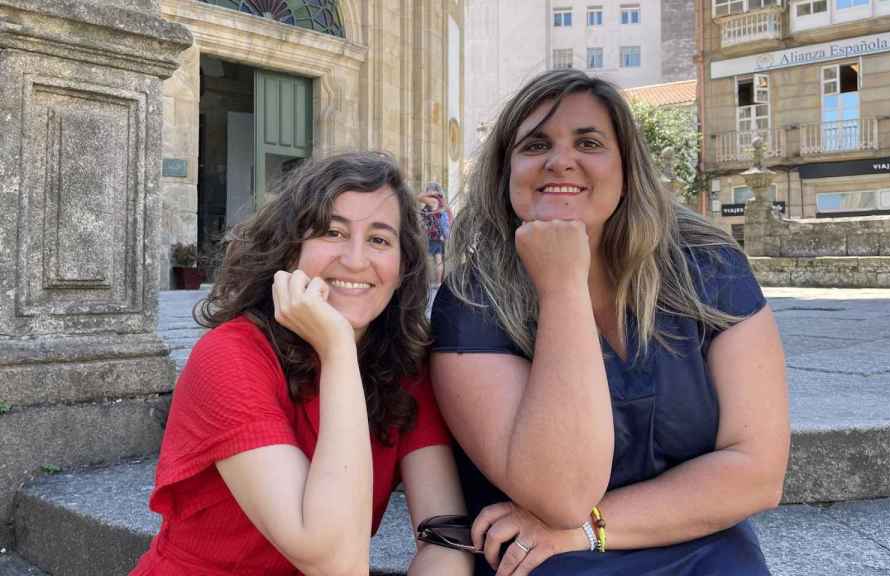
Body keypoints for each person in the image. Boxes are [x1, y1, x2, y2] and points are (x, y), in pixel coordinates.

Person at [430, 69, 789, 575]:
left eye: (589, 141)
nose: (560, 160)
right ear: (506, 170)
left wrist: (591, 526)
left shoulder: (707, 266)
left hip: (692, 540)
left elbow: (757, 472)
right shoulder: (473, 296)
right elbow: (560, 494)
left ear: (626, 167)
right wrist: (562, 287)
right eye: (535, 145)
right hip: (544, 558)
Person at [132, 152, 473, 576]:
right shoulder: (228, 358)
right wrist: (338, 349)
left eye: (380, 240)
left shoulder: (402, 367)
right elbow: (334, 560)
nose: (355, 259)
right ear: (290, 247)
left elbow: (444, 533)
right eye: (332, 231)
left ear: (403, 267)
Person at [418, 182, 452, 286]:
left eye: (428, 189)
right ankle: (438, 283)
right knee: (438, 260)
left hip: (431, 235)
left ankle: (427, 282)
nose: (426, 191)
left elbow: (418, 197)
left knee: (425, 259)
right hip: (439, 235)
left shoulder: (432, 200)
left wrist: (430, 193)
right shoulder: (440, 201)